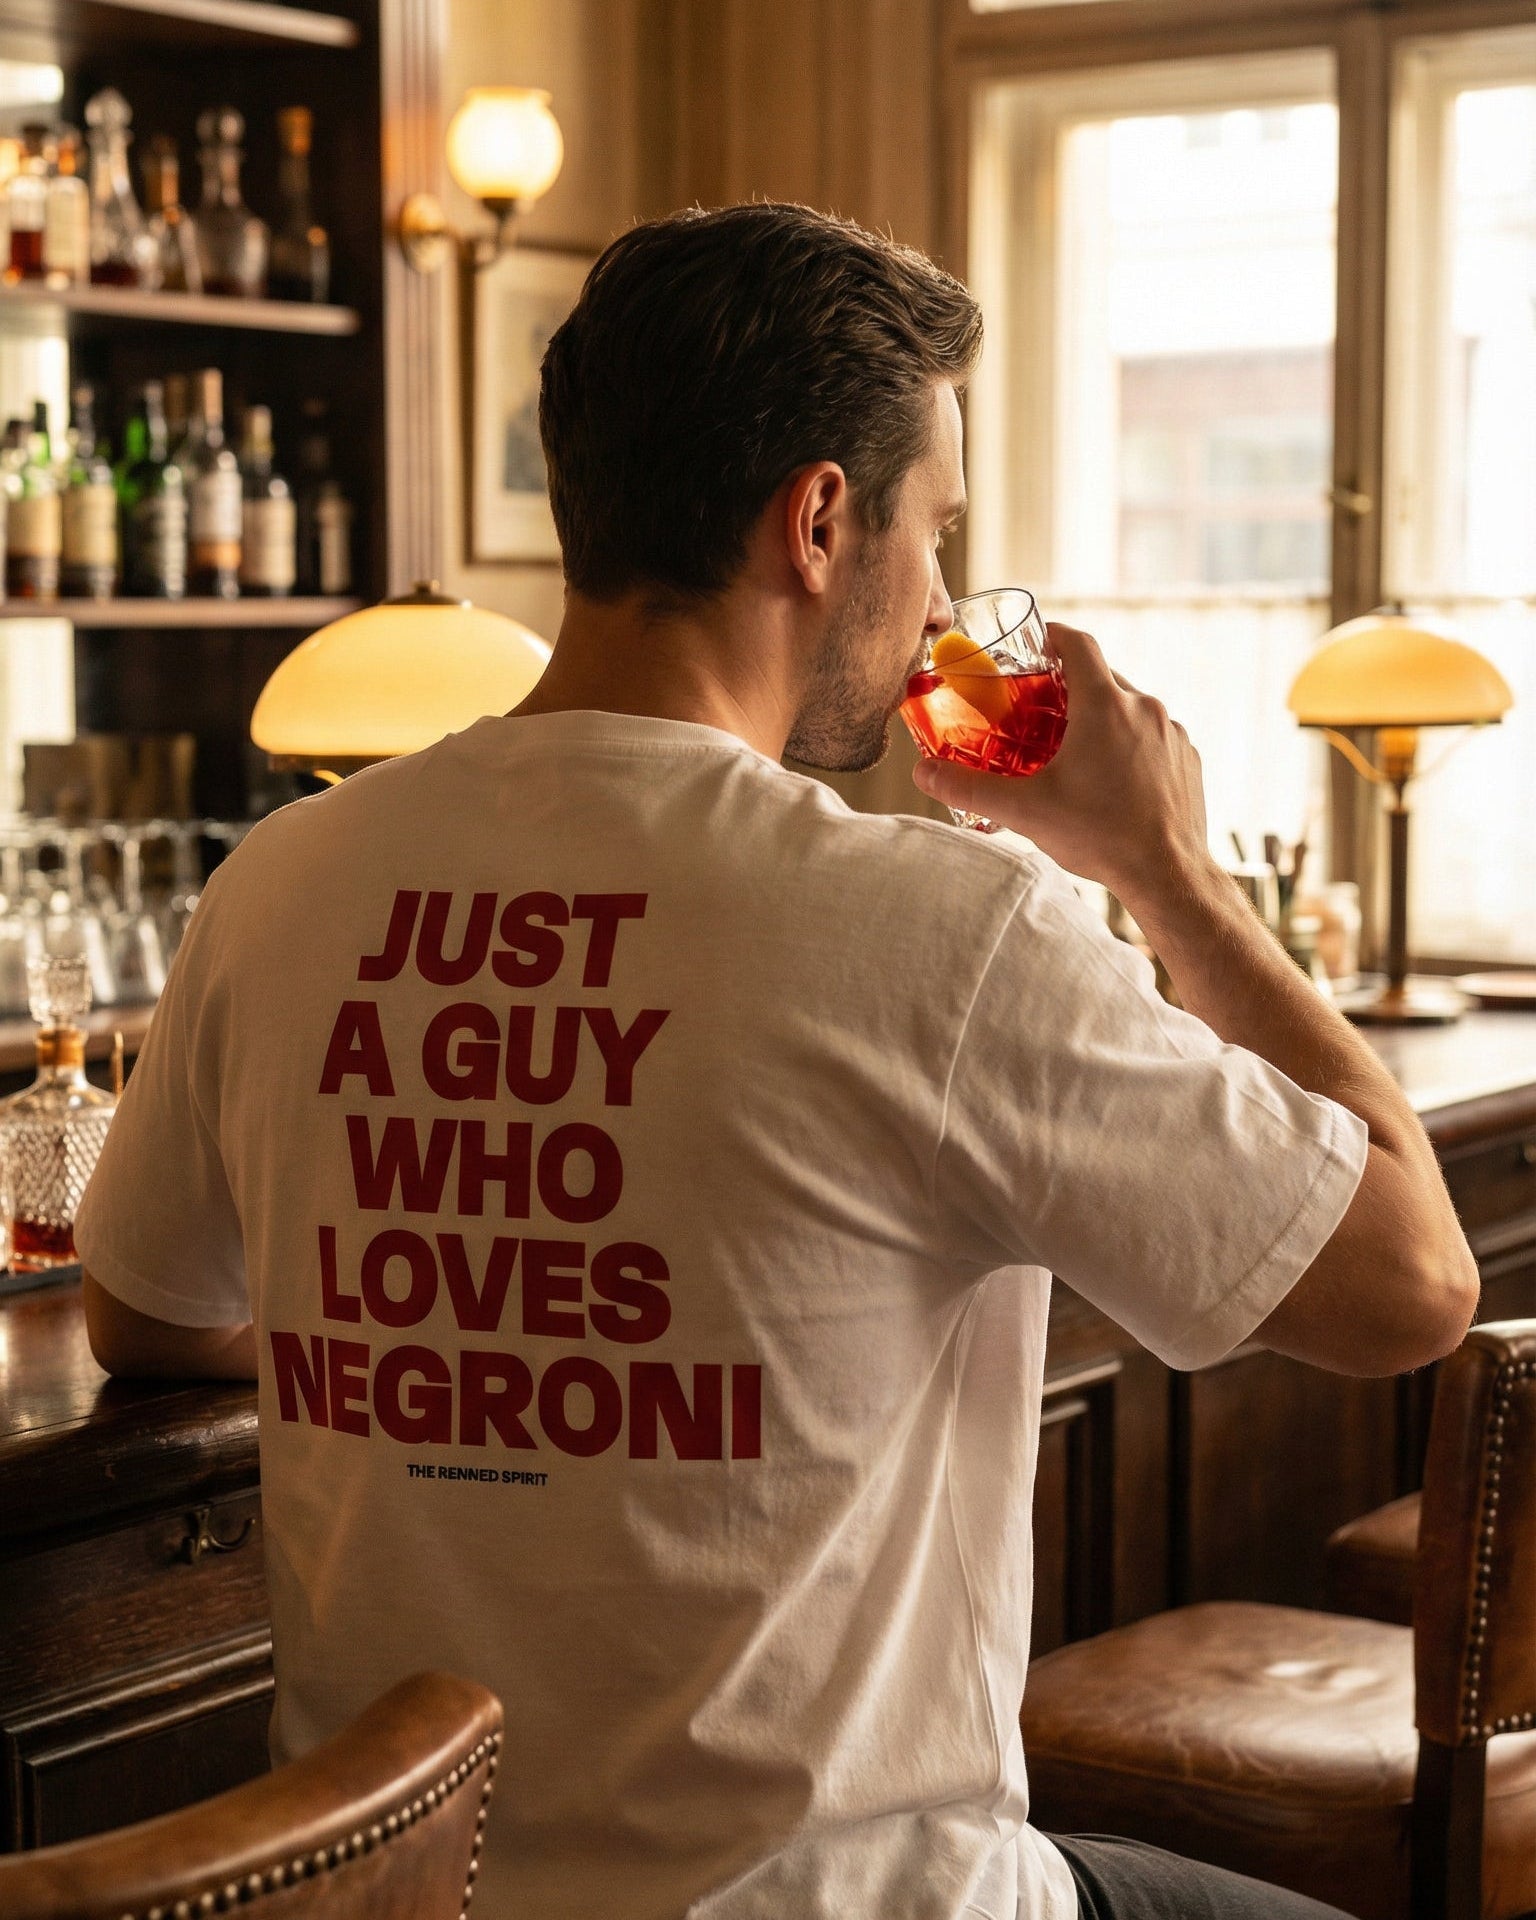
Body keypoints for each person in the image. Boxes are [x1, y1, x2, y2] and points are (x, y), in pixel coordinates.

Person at [77, 202, 1478, 1920]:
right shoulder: (947, 933)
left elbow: (140, 1310)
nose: (946, 603)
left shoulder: (279, 886)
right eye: (937, 535)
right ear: (820, 519)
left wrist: (470, 1316)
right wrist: (1166, 868)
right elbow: (1412, 1287)